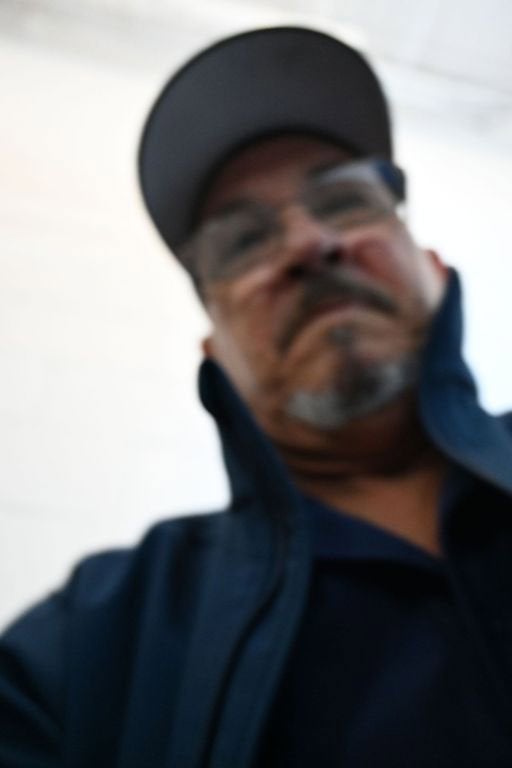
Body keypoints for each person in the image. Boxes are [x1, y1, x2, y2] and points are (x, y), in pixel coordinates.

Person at [1, 25, 512, 768]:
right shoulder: (96, 643)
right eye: (242, 242)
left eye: (345, 200)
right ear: (215, 352)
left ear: (433, 267)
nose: (309, 244)